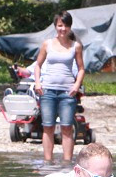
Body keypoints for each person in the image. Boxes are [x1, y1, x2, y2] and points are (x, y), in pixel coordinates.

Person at [33, 10, 86, 164]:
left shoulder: (75, 46)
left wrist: (77, 85)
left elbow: (81, 68)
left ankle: (67, 163)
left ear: (70, 27)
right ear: (55, 26)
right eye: (60, 25)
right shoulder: (47, 44)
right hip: (48, 90)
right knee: (48, 127)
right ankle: (48, 162)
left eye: (66, 26)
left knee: (67, 128)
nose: (63, 29)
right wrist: (37, 82)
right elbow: (38, 65)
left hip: (67, 92)